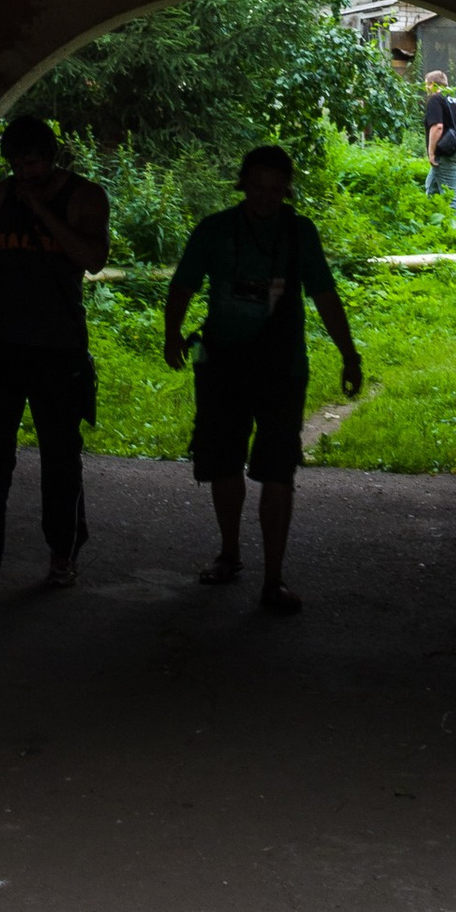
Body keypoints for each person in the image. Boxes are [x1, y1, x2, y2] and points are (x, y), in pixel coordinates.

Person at [163, 144, 362, 616]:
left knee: (277, 471)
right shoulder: (215, 230)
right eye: (258, 188)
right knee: (224, 462)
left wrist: (349, 355)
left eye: (276, 190)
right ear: (243, 185)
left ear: (287, 190)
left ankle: (273, 578)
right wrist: (172, 333)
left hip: (280, 369)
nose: (267, 198)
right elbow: (184, 283)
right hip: (224, 366)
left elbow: (325, 295)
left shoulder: (299, 233)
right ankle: (230, 553)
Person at [0, 110, 110, 610]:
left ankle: (63, 552)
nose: (25, 174)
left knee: (61, 458)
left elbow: (93, 258)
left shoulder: (84, 197)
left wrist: (44, 212)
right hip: (1, 347)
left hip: (59, 349)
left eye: (33, 163)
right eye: (17, 165)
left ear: (50, 159)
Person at [422, 66, 456, 218]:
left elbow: (437, 127)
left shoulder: (436, 100)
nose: (425, 88)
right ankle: (432, 222)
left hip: (446, 153)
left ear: (432, 85)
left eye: (426, 84)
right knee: (432, 188)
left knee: (454, 195)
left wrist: (431, 152)